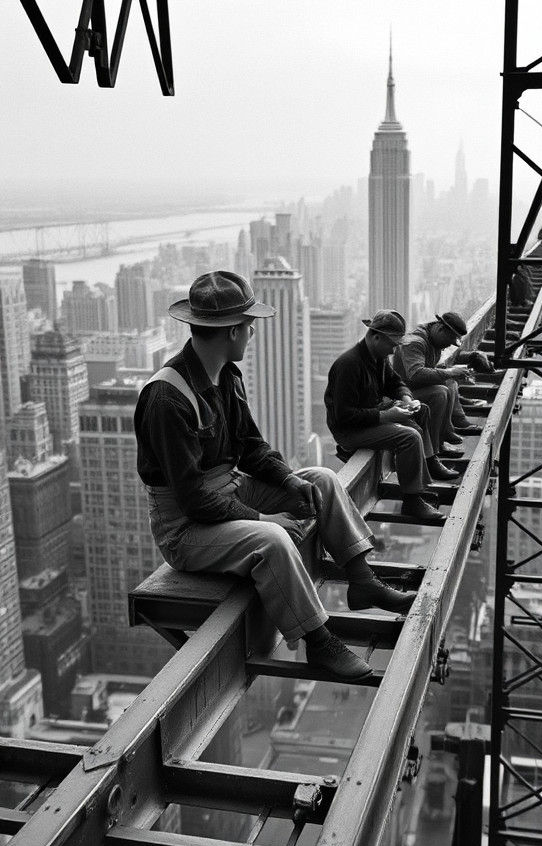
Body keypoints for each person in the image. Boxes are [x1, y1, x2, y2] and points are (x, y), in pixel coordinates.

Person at [134, 271, 416, 684]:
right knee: (273, 540)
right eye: (249, 326)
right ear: (232, 331)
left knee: (321, 477)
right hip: (186, 528)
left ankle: (362, 580)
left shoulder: (227, 377)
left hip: (229, 489)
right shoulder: (167, 398)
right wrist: (264, 520)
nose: (252, 332)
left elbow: (251, 446)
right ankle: (319, 642)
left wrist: (289, 481)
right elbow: (193, 498)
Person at [325, 310, 459, 522]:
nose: (395, 349)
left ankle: (421, 481)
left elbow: (394, 382)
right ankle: (412, 501)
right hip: (350, 431)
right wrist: (386, 416)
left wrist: (407, 399)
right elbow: (344, 416)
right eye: (392, 344)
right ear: (375, 337)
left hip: (373, 413)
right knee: (409, 437)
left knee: (420, 414)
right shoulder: (349, 364)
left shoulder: (377, 358)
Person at [393, 311, 491, 449]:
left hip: (414, 388)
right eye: (449, 341)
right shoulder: (415, 342)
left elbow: (431, 368)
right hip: (403, 395)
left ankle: (449, 428)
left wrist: (458, 369)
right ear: (440, 329)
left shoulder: (433, 340)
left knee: (450, 383)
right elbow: (415, 374)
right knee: (440, 392)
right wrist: (449, 372)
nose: (448, 346)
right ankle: (435, 448)